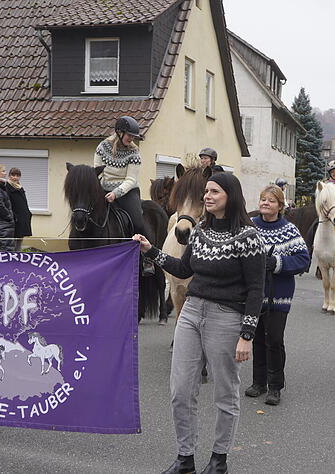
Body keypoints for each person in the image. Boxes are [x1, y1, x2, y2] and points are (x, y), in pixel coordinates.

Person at [133, 172, 265, 474]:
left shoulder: (248, 236)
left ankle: (219, 460)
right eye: (206, 191)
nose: (207, 196)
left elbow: (257, 288)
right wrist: (150, 251)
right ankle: (185, 459)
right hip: (191, 312)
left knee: (225, 393)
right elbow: (182, 268)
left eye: (214, 191)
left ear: (230, 196)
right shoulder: (201, 229)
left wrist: (247, 333)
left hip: (227, 317)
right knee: (181, 390)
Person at [246, 185, 310, 406]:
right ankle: (258, 382)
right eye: (263, 199)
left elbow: (303, 259)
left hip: (279, 295)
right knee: (257, 339)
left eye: (271, 201)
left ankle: (275, 386)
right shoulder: (250, 226)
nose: (265, 203)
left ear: (280, 206)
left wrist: (278, 263)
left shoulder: (289, 230)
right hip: (254, 294)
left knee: (274, 338)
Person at [95, 116, 153, 275]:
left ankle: (147, 259)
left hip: (127, 191)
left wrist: (115, 193)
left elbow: (131, 179)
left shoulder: (134, 152)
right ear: (119, 132)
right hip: (103, 189)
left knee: (138, 222)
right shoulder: (102, 147)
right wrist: (99, 190)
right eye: (130, 135)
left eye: (134, 136)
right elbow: (97, 170)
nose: (132, 138)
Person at [6, 167, 33, 251]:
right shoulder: (7, 187)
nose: (15, 177)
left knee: (19, 242)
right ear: (9, 176)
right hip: (14, 220)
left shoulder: (20, 187)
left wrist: (28, 214)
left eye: (17, 175)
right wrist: (14, 217)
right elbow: (7, 204)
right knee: (12, 244)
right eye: (13, 175)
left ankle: (17, 258)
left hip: (22, 220)